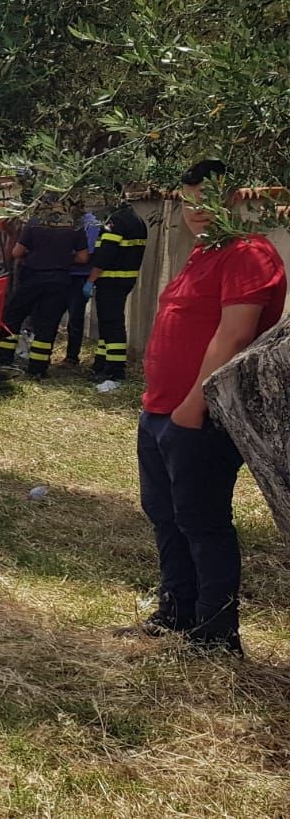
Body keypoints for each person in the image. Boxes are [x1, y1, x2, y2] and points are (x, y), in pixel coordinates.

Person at [130, 160, 286, 655]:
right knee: (165, 515)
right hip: (160, 409)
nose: (198, 210)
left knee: (202, 521)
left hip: (200, 414)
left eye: (210, 198)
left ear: (239, 200)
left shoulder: (249, 253)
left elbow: (236, 335)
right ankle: (176, 612)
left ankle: (216, 635)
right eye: (189, 199)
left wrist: (192, 407)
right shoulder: (204, 253)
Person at [0, 195, 89, 376]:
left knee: (13, 317)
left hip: (32, 278)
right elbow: (83, 257)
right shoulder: (75, 226)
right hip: (59, 281)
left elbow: (17, 252)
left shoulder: (35, 222)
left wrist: (34, 256)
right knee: (47, 325)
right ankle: (38, 369)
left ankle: (4, 360)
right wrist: (64, 259)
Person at [88, 196, 148, 380]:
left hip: (111, 280)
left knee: (112, 325)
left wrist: (90, 280)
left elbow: (105, 255)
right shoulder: (137, 221)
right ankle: (101, 364)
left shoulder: (116, 221)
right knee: (108, 323)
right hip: (125, 280)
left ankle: (114, 371)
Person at [64, 202, 101, 366]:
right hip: (64, 275)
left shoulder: (91, 223)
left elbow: (88, 253)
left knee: (75, 318)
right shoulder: (69, 222)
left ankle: (72, 357)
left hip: (80, 276)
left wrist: (62, 255)